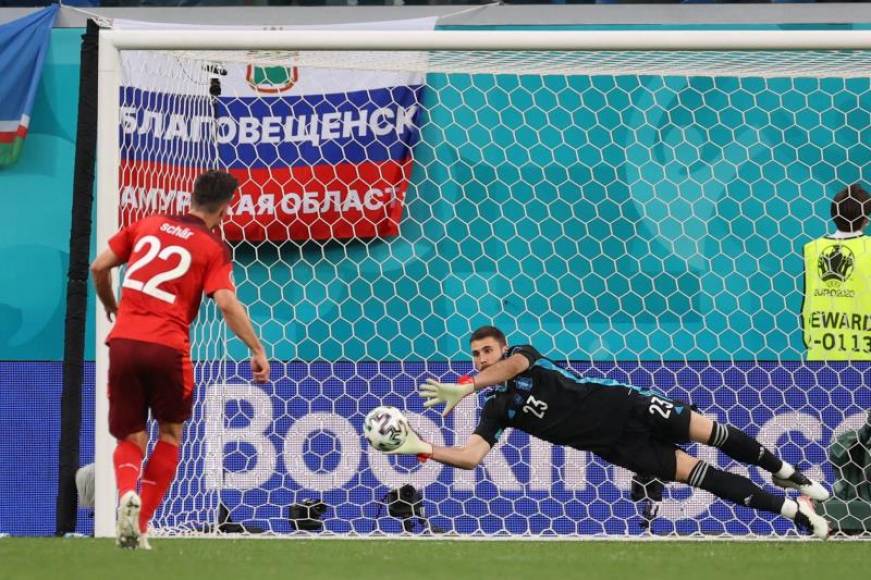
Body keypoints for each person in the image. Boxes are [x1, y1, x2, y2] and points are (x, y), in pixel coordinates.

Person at [379, 325, 831, 538]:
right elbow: (473, 456)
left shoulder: (523, 356)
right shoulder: (499, 409)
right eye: (474, 355)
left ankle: (786, 470)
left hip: (630, 406)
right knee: (702, 477)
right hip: (619, 446)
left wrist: (467, 386)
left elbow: (513, 366)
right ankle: (796, 512)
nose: (480, 359)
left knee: (709, 432)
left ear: (501, 346)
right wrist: (424, 447)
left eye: (486, 351)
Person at [90, 170, 269, 549]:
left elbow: (98, 266)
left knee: (129, 435)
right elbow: (225, 302)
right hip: (168, 347)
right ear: (226, 207)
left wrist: (111, 305)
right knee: (170, 433)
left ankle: (126, 495)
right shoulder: (213, 247)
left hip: (123, 341)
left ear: (192, 195)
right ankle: (140, 525)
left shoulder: (147, 224)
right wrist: (256, 348)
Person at [802, 183, 871, 360]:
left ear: (834, 215)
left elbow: (806, 304)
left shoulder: (812, 249)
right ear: (865, 219)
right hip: (863, 356)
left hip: (820, 353)